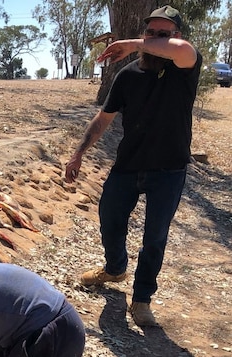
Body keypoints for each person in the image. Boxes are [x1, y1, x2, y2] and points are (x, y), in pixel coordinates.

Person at [64, 5, 200, 328]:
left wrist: (136, 44)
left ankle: (141, 300)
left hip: (169, 170)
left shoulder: (185, 67)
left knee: (155, 237)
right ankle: (114, 268)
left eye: (162, 34)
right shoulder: (128, 76)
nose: (154, 39)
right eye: (150, 32)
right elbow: (104, 118)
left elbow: (182, 51)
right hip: (129, 165)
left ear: (176, 36)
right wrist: (79, 152)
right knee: (109, 216)